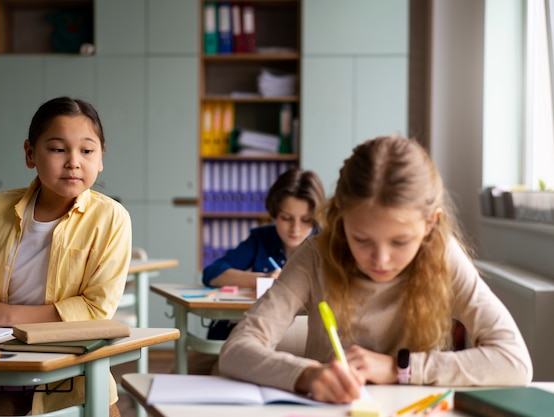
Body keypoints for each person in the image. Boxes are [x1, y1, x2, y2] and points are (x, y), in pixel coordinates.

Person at [218, 135, 533, 404]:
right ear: (340, 218)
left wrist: (399, 369)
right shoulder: (316, 255)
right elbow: (237, 349)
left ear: (430, 224)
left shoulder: (442, 255)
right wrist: (307, 375)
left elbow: (515, 361)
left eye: (400, 242)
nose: (380, 260)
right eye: (362, 239)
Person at [0, 97, 132, 416]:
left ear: (101, 157)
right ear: (30, 153)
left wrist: (5, 315)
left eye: (87, 150)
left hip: (70, 372)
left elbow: (96, 308)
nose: (74, 161)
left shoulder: (111, 218)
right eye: (58, 149)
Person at [190, 168, 325, 374]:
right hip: (255, 335)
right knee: (194, 365)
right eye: (286, 218)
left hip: (304, 338)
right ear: (273, 214)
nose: (295, 229)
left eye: (305, 220)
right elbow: (213, 273)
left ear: (315, 219)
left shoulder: (325, 244)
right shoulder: (262, 239)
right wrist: (263, 278)